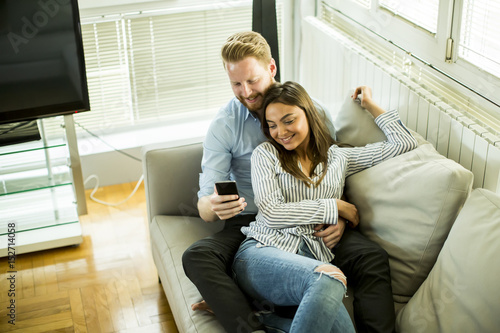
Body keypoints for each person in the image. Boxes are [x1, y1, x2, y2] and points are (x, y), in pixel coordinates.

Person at [232, 82, 418, 333]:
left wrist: (370, 105)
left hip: (314, 263)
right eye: (272, 125)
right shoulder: (265, 155)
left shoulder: (339, 157)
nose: (281, 132)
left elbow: (403, 142)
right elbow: (273, 213)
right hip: (263, 252)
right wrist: (335, 206)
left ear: (308, 114)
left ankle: (263, 320)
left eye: (289, 120)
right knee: (330, 278)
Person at [182, 31, 336, 333]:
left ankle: (248, 307)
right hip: (250, 221)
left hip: (308, 216)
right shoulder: (225, 125)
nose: (246, 91)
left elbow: (337, 170)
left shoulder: (312, 112)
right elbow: (203, 205)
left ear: (272, 69)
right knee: (197, 256)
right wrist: (213, 205)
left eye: (252, 80)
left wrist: (339, 216)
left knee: (370, 258)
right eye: (236, 84)